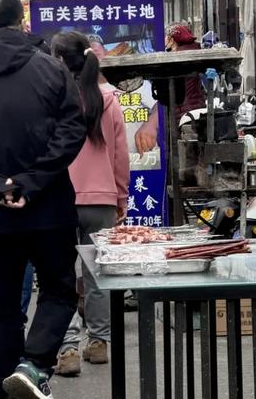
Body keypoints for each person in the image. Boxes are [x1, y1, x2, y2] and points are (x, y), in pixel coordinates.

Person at [0, 0, 86, 399]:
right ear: (22, 22)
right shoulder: (51, 69)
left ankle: (6, 384)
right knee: (58, 290)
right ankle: (34, 364)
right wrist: (32, 181)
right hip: (48, 208)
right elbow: (72, 129)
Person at [51, 32, 130, 377]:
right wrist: (120, 196)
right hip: (101, 201)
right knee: (97, 276)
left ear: (58, 60)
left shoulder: (53, 98)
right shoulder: (109, 99)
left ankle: (67, 348)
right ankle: (98, 343)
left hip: (60, 201)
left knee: (62, 278)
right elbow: (120, 155)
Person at [134, 24, 205, 154]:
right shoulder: (195, 53)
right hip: (196, 109)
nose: (164, 41)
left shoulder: (175, 59)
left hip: (182, 111)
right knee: (195, 150)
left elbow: (168, 92)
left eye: (166, 37)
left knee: (182, 150)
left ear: (172, 39)